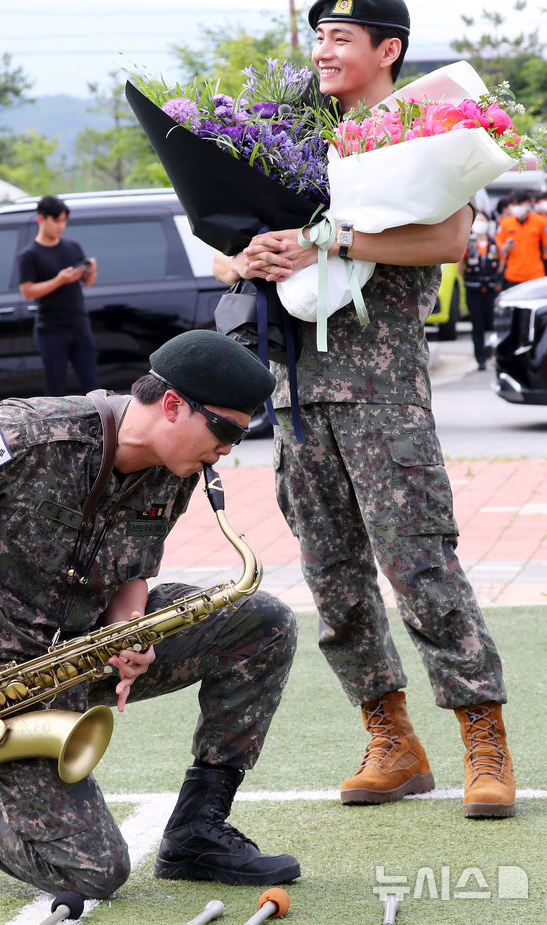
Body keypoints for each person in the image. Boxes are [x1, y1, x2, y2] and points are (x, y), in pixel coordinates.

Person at [214, 0, 515, 819]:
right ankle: (391, 737)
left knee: (419, 563)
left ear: (389, 49)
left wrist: (332, 241)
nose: (323, 50)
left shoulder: (425, 128)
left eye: (341, 37)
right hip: (298, 393)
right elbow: (221, 247)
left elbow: (450, 240)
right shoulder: (288, 130)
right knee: (333, 575)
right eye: (318, 36)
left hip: (383, 388)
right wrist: (249, 252)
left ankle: (482, 737)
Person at [0, 329, 300, 897]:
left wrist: (130, 629)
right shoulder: (31, 434)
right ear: (173, 405)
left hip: (87, 651)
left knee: (265, 621)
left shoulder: (177, 468)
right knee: (93, 873)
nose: (229, 449)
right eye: (225, 430)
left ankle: (199, 830)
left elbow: (134, 567)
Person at [17, 194, 100, 396]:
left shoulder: (72, 247)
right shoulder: (30, 254)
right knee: (55, 390)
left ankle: (100, 424)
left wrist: (91, 271)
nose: (60, 226)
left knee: (92, 385)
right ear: (41, 219)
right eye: (56, 220)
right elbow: (27, 291)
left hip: (79, 326)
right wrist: (59, 280)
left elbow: (88, 283)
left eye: (63, 221)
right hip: (51, 331)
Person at [460, 211, 502, 370]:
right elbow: (460, 267)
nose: (480, 223)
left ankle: (494, 354)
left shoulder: (494, 242)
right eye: (477, 220)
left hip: (491, 289)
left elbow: (501, 263)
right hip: (473, 290)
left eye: (482, 220)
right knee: (477, 325)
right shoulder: (468, 243)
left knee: (493, 323)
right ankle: (480, 359)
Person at [495, 189, 547, 288]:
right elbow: (499, 246)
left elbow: (545, 248)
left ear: (527, 203)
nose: (516, 207)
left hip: (535, 275)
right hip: (513, 275)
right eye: (514, 205)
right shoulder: (505, 223)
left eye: (519, 204)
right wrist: (505, 247)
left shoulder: (540, 222)